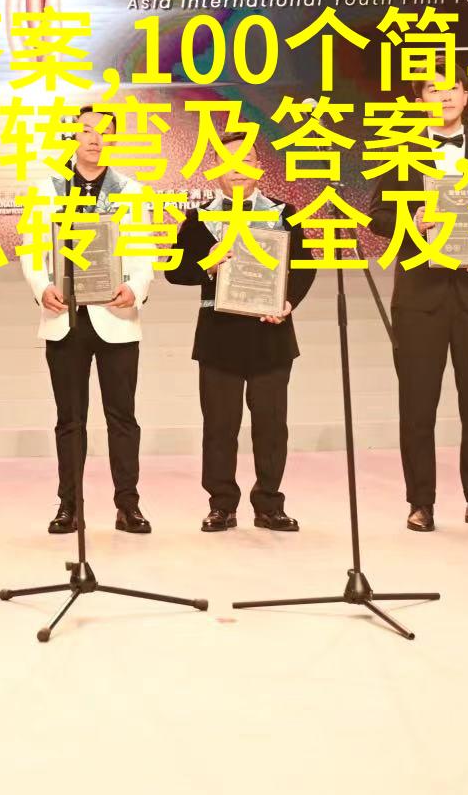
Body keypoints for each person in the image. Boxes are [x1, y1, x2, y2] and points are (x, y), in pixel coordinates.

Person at [366, 76, 468, 534]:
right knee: (418, 405)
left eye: (452, 89)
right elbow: (377, 217)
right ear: (419, 99)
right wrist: (412, 220)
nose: (444, 97)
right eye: (432, 89)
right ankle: (420, 502)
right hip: (420, 297)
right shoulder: (403, 153)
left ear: (466, 95)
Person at [167, 134, 316, 533]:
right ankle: (222, 505)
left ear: (259, 167)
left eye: (246, 158)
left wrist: (288, 302)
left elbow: (305, 266)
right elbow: (175, 272)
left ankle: (269, 504)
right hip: (219, 336)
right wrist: (208, 265)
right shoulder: (198, 219)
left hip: (271, 333)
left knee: (271, 426)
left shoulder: (284, 212)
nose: (237, 167)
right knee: (219, 426)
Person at [21, 105, 155, 535]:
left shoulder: (130, 190)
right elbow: (32, 250)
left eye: (105, 132)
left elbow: (143, 253)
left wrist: (136, 287)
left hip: (116, 315)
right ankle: (69, 506)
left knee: (123, 418)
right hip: (65, 318)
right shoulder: (47, 190)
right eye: (87, 130)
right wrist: (42, 286)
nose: (96, 138)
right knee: (70, 419)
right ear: (72, 138)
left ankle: (128, 505)